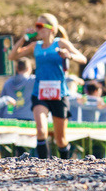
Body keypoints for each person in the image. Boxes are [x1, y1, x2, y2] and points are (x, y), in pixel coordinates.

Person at [8, 13, 87, 159]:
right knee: (41, 130)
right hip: (40, 93)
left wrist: (69, 55)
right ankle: (44, 165)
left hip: (59, 94)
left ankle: (65, 164)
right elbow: (12, 56)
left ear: (51, 29)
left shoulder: (61, 43)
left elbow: (83, 58)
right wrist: (24, 38)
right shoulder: (35, 46)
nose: (37, 29)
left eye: (40, 26)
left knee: (60, 139)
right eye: (36, 26)